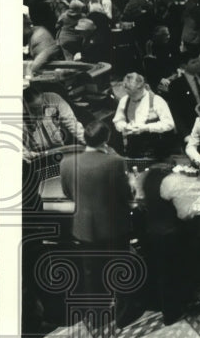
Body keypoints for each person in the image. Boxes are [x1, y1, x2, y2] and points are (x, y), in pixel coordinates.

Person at [59, 120, 141, 326]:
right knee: (120, 270)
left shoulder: (67, 163)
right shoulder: (115, 161)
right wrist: (131, 186)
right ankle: (123, 316)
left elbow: (68, 193)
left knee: (92, 274)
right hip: (113, 227)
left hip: (84, 228)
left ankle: (96, 317)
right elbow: (125, 195)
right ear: (106, 140)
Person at [139, 163, 193, 324]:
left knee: (161, 272)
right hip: (170, 234)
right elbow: (184, 214)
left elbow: (142, 200)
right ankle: (173, 312)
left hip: (151, 231)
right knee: (172, 274)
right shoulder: (171, 180)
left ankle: (162, 305)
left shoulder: (146, 176)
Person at [112, 72, 176, 158]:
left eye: (133, 94)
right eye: (129, 94)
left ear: (141, 88)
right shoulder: (124, 100)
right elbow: (118, 121)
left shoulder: (157, 100)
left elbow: (169, 124)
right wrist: (125, 127)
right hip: (133, 149)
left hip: (155, 150)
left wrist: (146, 128)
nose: (131, 97)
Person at [22, 86, 84, 155]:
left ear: (42, 96)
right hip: (37, 154)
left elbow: (72, 123)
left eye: (41, 106)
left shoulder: (53, 98)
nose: (40, 112)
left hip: (60, 147)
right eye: (34, 109)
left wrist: (87, 141)